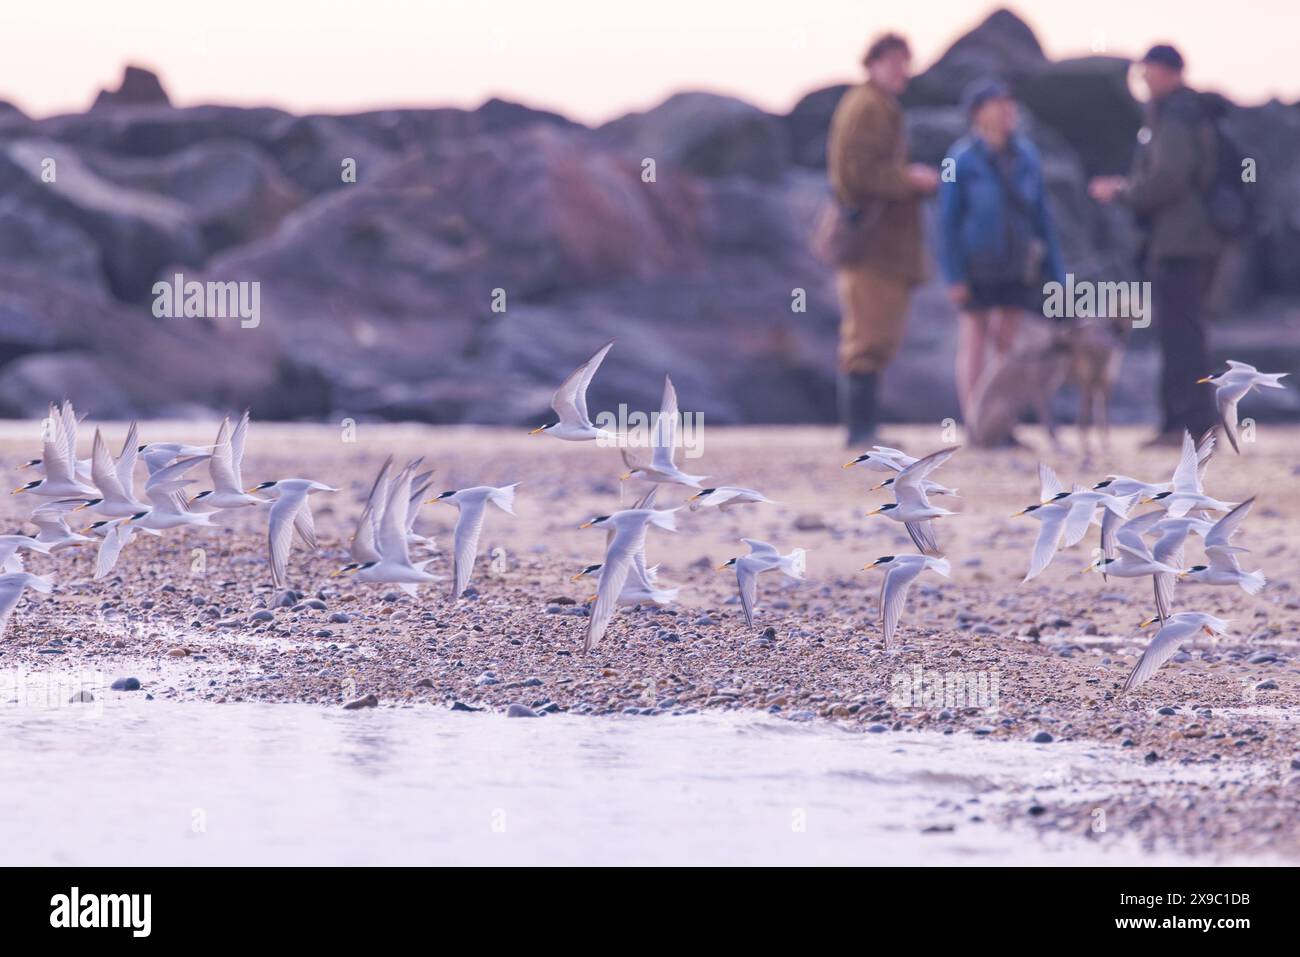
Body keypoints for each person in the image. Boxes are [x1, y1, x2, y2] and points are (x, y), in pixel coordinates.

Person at [1089, 43, 1220, 446]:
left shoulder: (1176, 115)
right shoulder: (1188, 112)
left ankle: (1186, 425)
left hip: (1180, 242)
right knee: (1183, 333)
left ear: (1166, 71)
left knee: (1181, 336)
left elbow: (1169, 179)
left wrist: (1123, 191)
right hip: (1188, 241)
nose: (1143, 80)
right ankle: (1187, 422)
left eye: (1147, 71)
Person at [826, 32, 939, 446]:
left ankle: (864, 431)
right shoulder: (868, 105)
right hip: (872, 244)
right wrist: (909, 179)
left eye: (905, 62)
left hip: (880, 244)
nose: (902, 70)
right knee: (868, 336)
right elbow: (857, 175)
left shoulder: (875, 104)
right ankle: (861, 433)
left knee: (875, 334)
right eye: (894, 61)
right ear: (873, 62)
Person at [938, 79, 1066, 432]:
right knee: (975, 340)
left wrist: (1056, 274)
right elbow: (947, 222)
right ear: (979, 113)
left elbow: (1042, 218)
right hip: (976, 263)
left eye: (1010, 105)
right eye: (999, 105)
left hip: (1015, 263)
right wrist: (953, 275)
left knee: (1008, 344)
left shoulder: (1026, 156)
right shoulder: (960, 158)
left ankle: (1001, 421)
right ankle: (975, 421)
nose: (1008, 111)